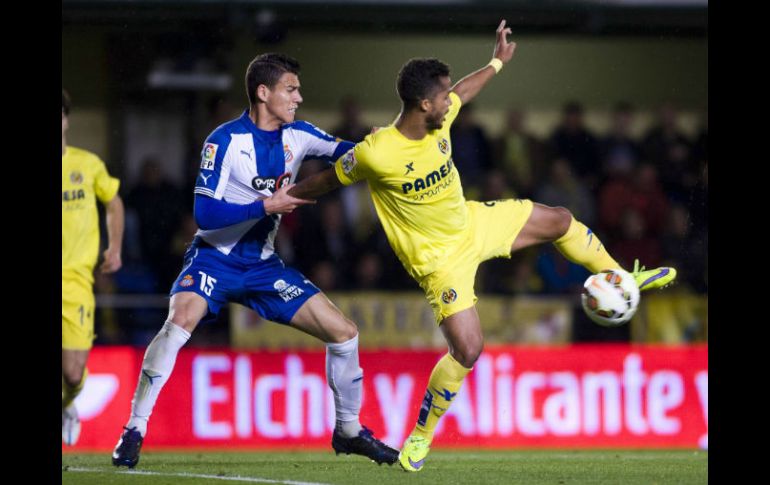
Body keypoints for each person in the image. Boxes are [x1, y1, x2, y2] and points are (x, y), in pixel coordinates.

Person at [288, 20, 677, 472]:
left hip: (473, 222)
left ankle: (621, 276)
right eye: (442, 96)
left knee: (559, 220)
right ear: (423, 103)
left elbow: (464, 92)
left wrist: (497, 61)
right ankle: (422, 433)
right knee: (469, 350)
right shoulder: (377, 152)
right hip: (439, 261)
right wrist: (284, 198)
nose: (450, 101)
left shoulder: (440, 116)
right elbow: (325, 181)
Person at [111, 53, 398, 468]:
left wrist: (378, 145)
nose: (299, 97)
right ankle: (134, 429)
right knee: (179, 322)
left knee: (344, 333)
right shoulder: (224, 141)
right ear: (263, 92)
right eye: (291, 89)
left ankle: (349, 430)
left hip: (263, 266)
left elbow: (348, 153)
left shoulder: (299, 135)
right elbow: (205, 214)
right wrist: (267, 205)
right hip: (214, 259)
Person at [62, 89, 125, 446]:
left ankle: (67, 404)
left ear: (65, 120)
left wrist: (114, 247)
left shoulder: (87, 165)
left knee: (73, 374)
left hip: (74, 282)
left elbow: (113, 203)